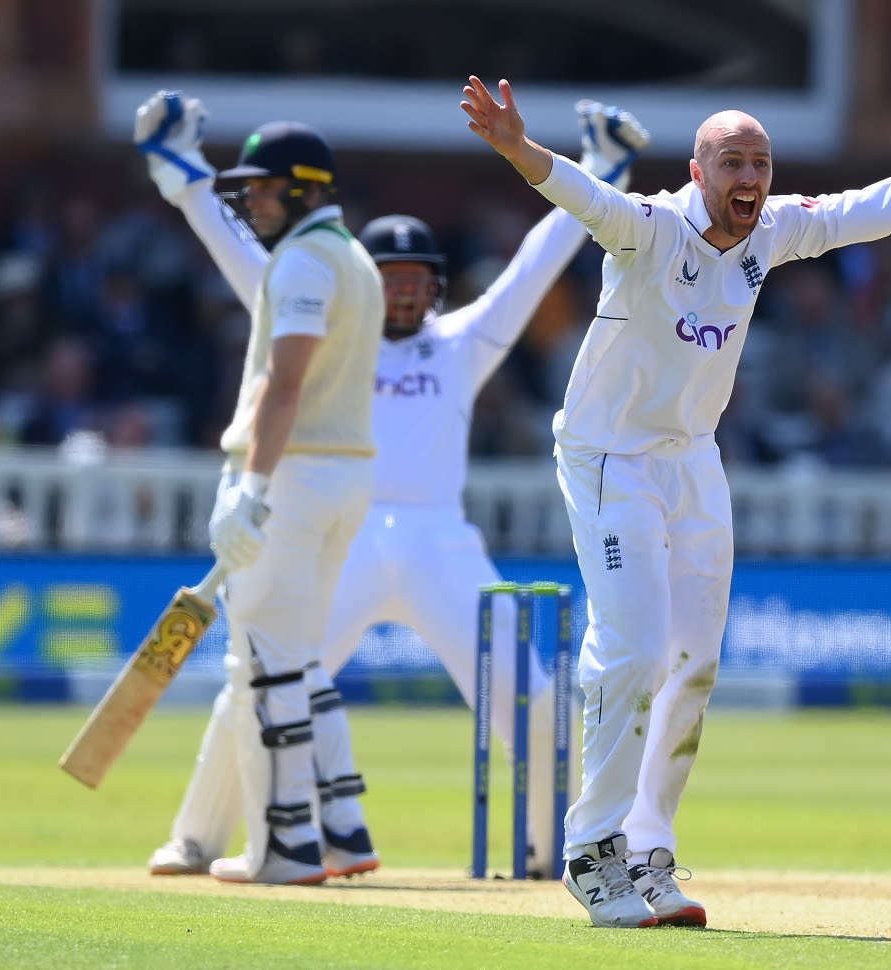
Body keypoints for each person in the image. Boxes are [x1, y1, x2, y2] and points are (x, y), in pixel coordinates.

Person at [460, 74, 891, 928]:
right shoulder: (646, 228)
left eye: (759, 161)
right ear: (697, 170)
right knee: (634, 648)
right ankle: (592, 852)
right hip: (610, 458)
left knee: (694, 663)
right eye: (730, 162)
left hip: (691, 460)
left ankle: (648, 850)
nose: (748, 176)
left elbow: (883, 206)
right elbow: (582, 192)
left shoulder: (774, 230)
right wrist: (515, 149)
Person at [144, 100, 650, 880]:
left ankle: (556, 852)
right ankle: (197, 838)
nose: (406, 295)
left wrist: (603, 173)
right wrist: (185, 180)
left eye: (418, 282)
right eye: (394, 280)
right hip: (338, 534)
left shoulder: (460, 344)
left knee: (535, 696)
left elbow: (534, 266)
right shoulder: (327, 301)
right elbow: (238, 246)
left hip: (439, 543)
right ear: (369, 281)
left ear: (436, 289)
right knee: (261, 679)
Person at [133, 91, 384, 885]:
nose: (255, 201)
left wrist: (253, 488)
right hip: (344, 476)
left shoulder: (308, 259)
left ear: (307, 188)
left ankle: (286, 847)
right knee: (289, 660)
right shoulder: (353, 255)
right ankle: (335, 828)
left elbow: (284, 383)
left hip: (294, 474)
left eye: (266, 189)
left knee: (267, 667)